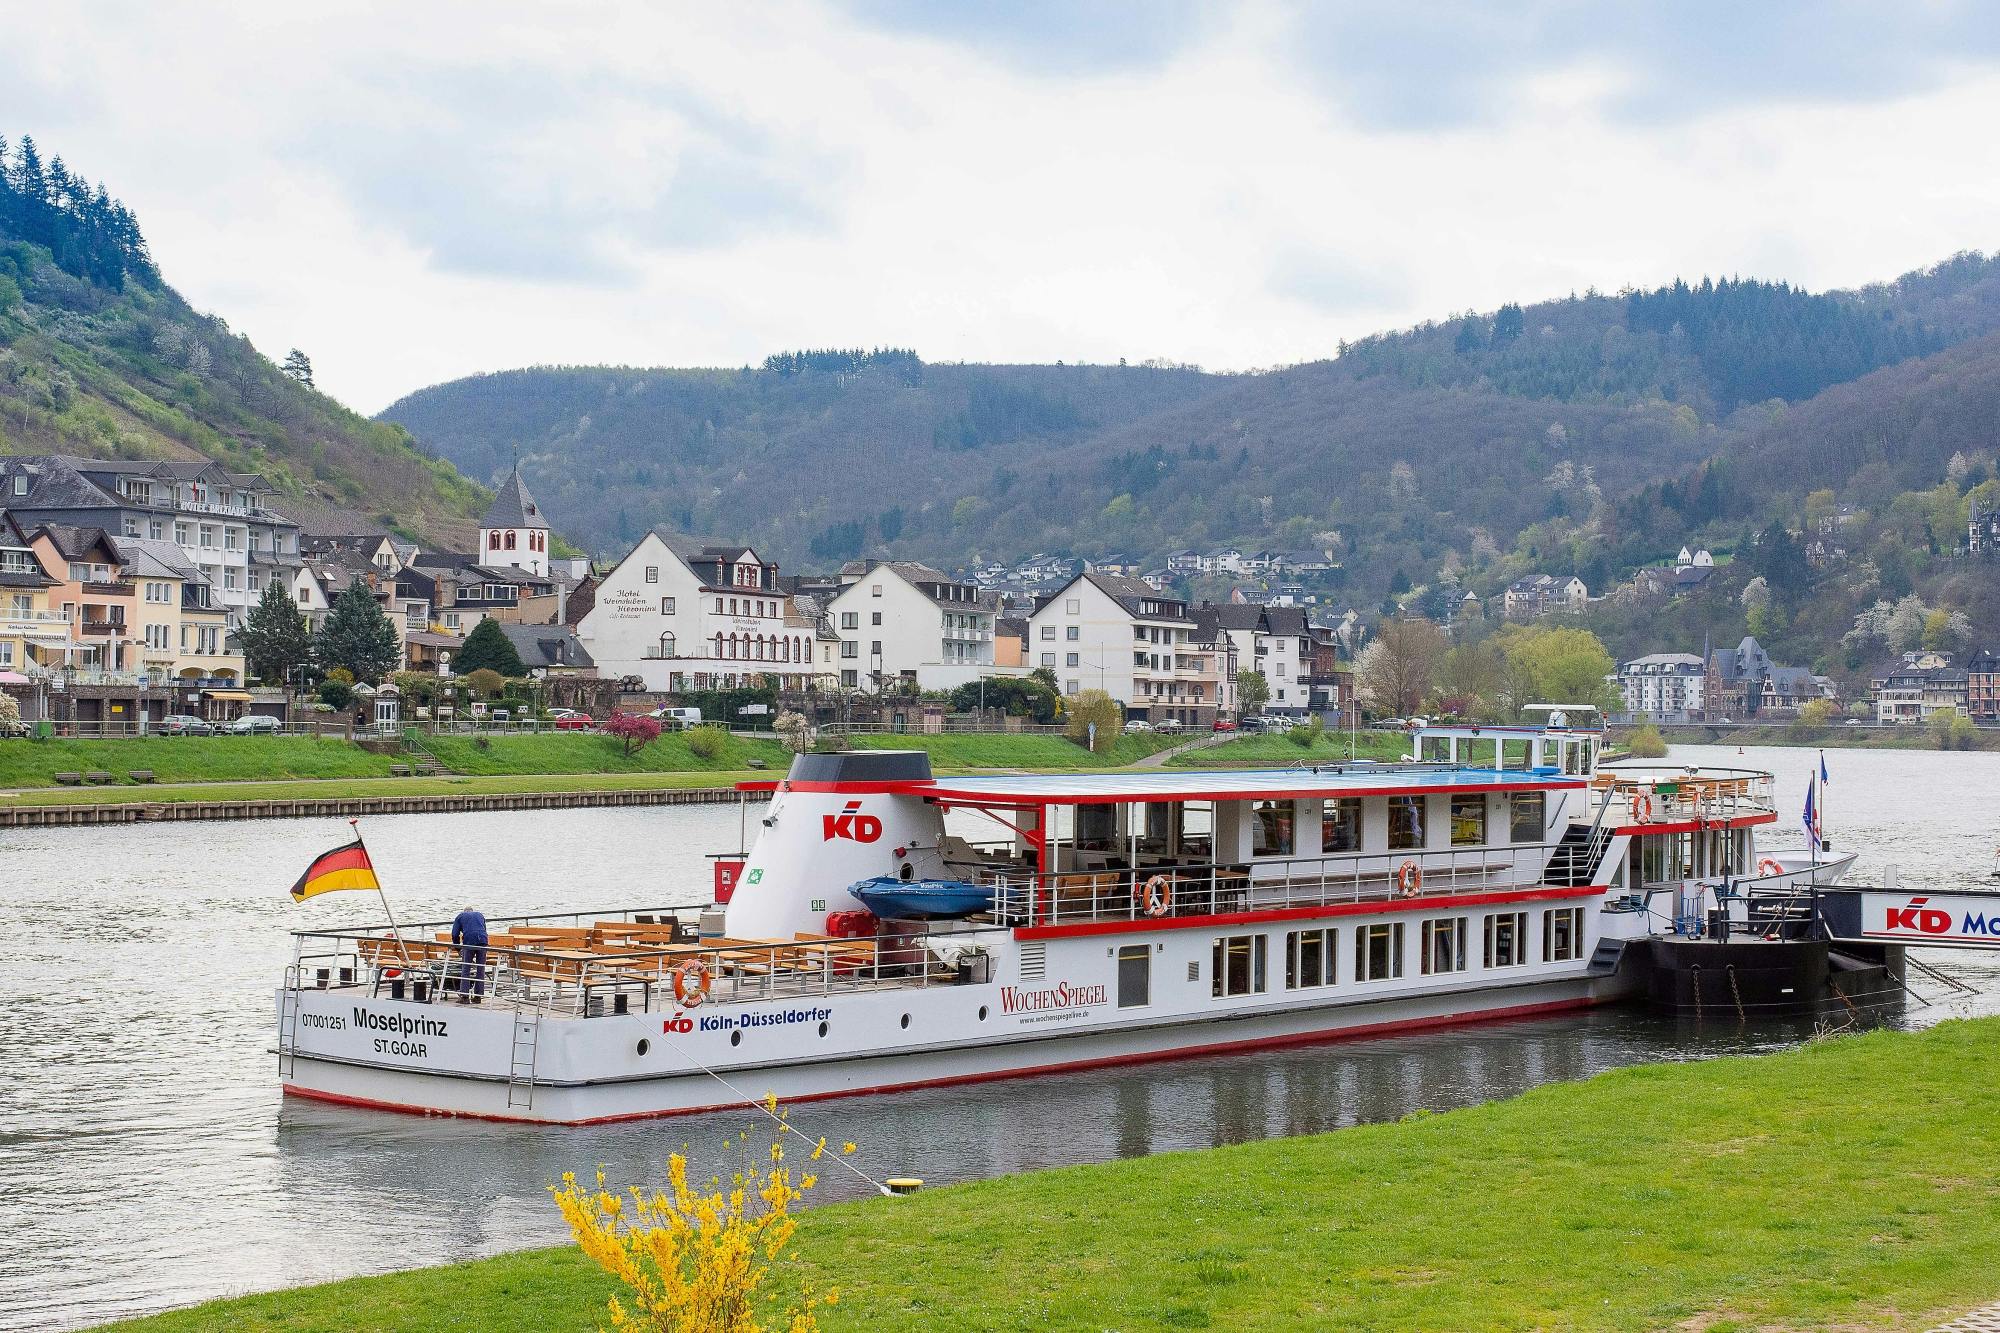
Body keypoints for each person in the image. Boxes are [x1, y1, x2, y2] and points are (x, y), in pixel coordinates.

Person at [451, 904, 489, 1004]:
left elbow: (455, 934)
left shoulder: (460, 916)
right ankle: (478, 996)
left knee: (466, 968)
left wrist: (458, 949)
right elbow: (483, 929)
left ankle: (464, 996)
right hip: (483, 941)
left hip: (469, 942)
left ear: (464, 911)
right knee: (481, 969)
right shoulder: (480, 915)